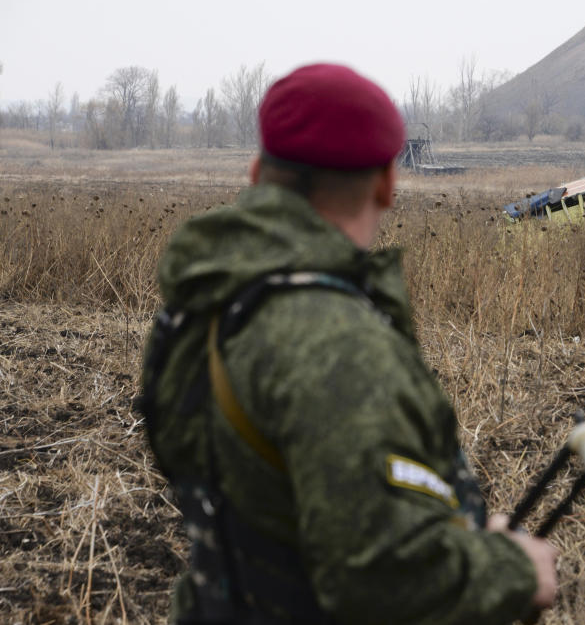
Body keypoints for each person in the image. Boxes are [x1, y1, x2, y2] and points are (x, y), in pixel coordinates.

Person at [138, 63, 557, 625]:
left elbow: (274, 507)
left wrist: (462, 538)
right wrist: (511, 570)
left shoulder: (203, 305)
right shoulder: (337, 347)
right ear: (388, 182)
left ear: (258, 171)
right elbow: (377, 579)